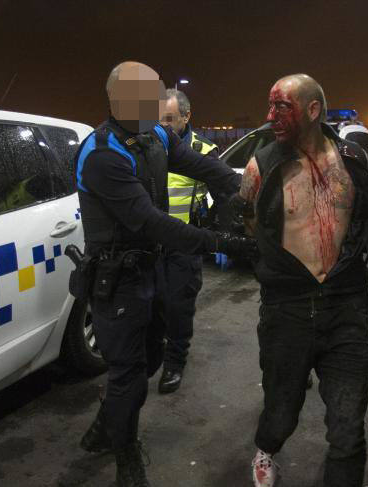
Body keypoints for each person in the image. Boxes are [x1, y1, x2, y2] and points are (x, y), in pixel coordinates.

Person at [74, 61, 252, 487]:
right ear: (118, 100)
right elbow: (149, 220)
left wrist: (243, 192)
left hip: (150, 269)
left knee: (151, 359)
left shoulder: (155, 134)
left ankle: (105, 426)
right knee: (129, 375)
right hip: (117, 280)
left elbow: (200, 165)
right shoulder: (101, 153)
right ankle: (126, 460)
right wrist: (222, 244)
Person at [238, 74, 368, 487]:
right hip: (288, 310)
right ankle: (267, 448)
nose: (270, 115)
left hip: (346, 306)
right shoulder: (260, 165)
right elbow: (248, 223)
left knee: (348, 425)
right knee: (281, 410)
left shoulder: (352, 159)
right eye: (270, 105)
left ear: (313, 110)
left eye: (281, 106)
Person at [157, 88, 219, 394]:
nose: (164, 126)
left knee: (179, 307)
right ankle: (154, 354)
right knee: (152, 304)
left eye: (170, 119)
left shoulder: (203, 150)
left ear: (186, 116)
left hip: (184, 245)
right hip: (152, 242)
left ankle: (175, 361)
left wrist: (213, 234)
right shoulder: (148, 145)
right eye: (159, 119)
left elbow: (221, 197)